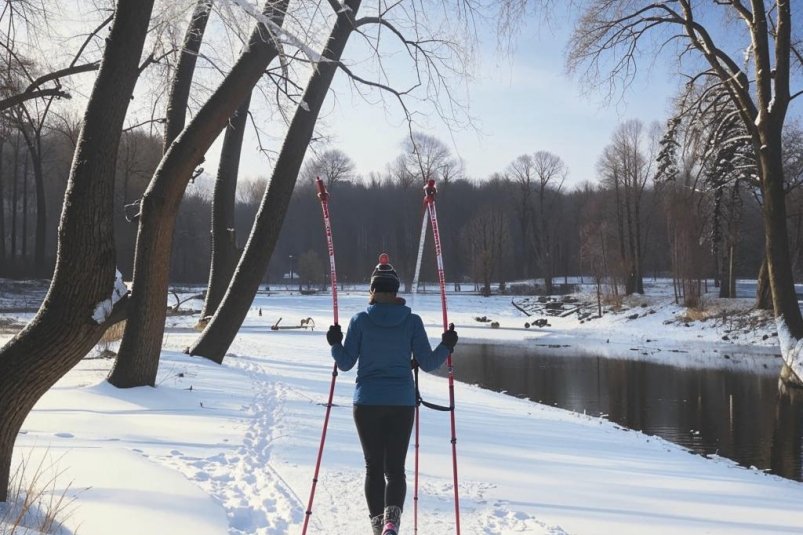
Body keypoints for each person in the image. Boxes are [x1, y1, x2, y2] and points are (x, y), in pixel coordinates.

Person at [326, 253, 458, 535]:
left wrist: (335, 343)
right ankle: (391, 525)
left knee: (373, 467)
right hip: (401, 403)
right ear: (396, 291)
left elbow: (346, 363)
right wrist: (447, 345)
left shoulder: (360, 320)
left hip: (367, 404)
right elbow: (428, 362)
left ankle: (377, 527)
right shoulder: (412, 321)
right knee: (395, 469)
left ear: (373, 290)